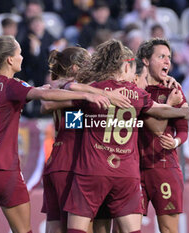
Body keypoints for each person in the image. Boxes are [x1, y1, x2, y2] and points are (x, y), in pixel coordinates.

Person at [0, 35, 110, 233]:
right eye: (19, 53)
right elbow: (50, 103)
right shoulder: (17, 86)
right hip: (60, 166)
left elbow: (44, 98)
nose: (22, 57)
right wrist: (89, 95)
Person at [63, 39, 189, 233]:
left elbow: (69, 103)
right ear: (127, 67)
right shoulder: (137, 94)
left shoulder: (92, 89)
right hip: (126, 173)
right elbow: (163, 115)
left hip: (92, 168)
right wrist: (181, 108)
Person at [40, 47, 131, 233]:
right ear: (75, 68)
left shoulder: (55, 89)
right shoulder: (80, 93)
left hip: (54, 163)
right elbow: (75, 126)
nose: (92, 68)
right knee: (80, 227)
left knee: (55, 226)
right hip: (72, 164)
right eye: (88, 63)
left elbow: (46, 106)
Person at [137, 38, 189, 233]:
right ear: (146, 60)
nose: (167, 61)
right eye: (161, 56)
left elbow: (183, 129)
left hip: (164, 165)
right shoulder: (133, 88)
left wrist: (175, 141)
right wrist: (169, 103)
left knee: (168, 230)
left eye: (169, 57)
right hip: (133, 169)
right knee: (124, 229)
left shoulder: (173, 89)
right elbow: (155, 126)